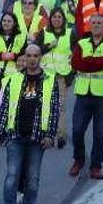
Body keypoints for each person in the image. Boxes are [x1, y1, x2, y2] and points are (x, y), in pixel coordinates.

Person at [0, 44, 59, 204]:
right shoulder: (13, 79)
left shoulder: (49, 80)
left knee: (32, 179)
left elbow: (53, 111)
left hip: (37, 138)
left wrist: (50, 135)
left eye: (35, 55)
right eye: (28, 55)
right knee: (12, 176)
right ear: (25, 57)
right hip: (15, 136)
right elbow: (4, 109)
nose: (32, 59)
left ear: (40, 58)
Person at [70, 13, 103, 180]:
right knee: (77, 131)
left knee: (100, 133)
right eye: (94, 23)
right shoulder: (81, 43)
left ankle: (96, 166)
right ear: (89, 25)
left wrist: (87, 62)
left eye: (100, 23)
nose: (96, 25)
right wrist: (94, 62)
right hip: (83, 93)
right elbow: (76, 64)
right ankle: (79, 159)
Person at [40, 8, 73, 148]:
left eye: (59, 17)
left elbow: (77, 55)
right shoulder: (44, 33)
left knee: (60, 107)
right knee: (45, 105)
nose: (57, 19)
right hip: (45, 76)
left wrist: (71, 75)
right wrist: (48, 46)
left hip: (62, 76)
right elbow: (36, 50)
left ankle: (60, 136)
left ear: (63, 19)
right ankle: (48, 135)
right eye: (54, 17)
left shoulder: (70, 34)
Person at [0, 11, 27, 112]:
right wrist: (1, 55)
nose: (6, 23)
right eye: (4, 20)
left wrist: (13, 56)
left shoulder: (21, 36)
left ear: (14, 23)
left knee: (13, 103)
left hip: (14, 75)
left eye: (9, 21)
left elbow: (25, 54)